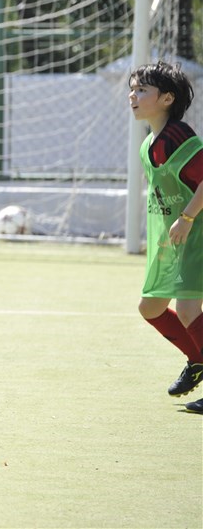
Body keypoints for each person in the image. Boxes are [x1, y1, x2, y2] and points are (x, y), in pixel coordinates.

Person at [128, 61, 203, 414]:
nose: (133, 95)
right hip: (170, 241)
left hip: (196, 232)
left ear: (167, 98)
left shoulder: (179, 137)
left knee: (188, 308)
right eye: (133, 88)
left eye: (142, 89)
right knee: (151, 307)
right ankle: (197, 358)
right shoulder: (149, 145)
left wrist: (187, 219)